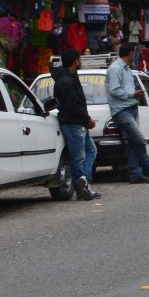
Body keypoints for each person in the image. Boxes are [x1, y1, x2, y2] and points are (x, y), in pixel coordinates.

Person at [50, 53, 100, 202]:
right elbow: (73, 105)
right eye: (79, 59)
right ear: (75, 61)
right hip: (73, 123)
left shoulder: (71, 77)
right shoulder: (65, 81)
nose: (81, 62)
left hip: (78, 123)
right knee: (78, 157)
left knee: (91, 150)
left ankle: (84, 180)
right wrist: (87, 119)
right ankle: (82, 186)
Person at [105, 44, 149, 184]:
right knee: (140, 140)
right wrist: (133, 94)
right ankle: (147, 169)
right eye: (134, 53)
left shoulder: (127, 69)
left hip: (132, 108)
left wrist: (135, 94)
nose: (135, 56)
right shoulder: (116, 69)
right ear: (130, 54)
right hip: (122, 111)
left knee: (133, 142)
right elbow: (114, 90)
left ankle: (135, 174)